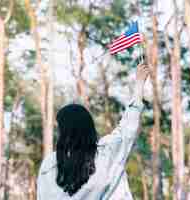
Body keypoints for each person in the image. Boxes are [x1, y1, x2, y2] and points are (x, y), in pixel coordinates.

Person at [37, 63, 150, 200]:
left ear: (63, 132)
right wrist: (139, 83)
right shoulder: (108, 152)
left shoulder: (49, 164)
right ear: (89, 128)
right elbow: (128, 124)